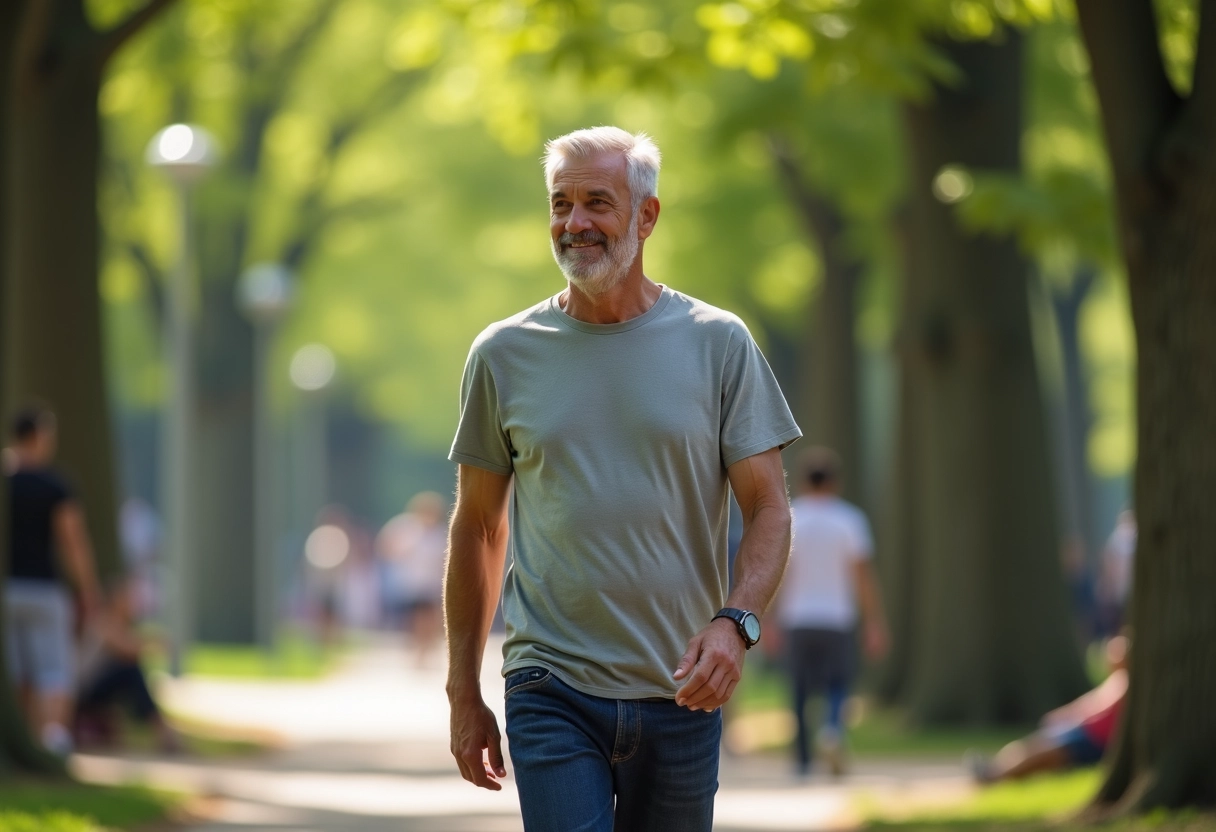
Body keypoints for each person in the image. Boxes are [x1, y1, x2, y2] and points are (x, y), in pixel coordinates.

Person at [445, 126, 801, 831]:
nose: (574, 222)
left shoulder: (718, 342)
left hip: (682, 689)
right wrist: (463, 689)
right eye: (560, 204)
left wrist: (736, 625)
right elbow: (478, 527)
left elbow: (769, 507)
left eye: (597, 203)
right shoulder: (503, 354)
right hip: (550, 684)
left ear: (647, 216)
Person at [774, 447, 888, 777]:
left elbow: (779, 574)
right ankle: (832, 728)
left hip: (797, 617)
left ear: (802, 482)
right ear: (835, 482)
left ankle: (802, 760)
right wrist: (874, 622)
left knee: (798, 688)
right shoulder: (850, 520)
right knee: (838, 682)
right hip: (837, 617)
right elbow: (863, 576)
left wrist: (769, 619)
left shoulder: (791, 518)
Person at [4, 405, 102, 756]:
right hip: (43, 588)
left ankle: (21, 743)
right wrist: (88, 589)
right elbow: (72, 542)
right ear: (41, 436)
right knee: (53, 671)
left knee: (16, 672)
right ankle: (52, 741)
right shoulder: (54, 485)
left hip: (7, 588)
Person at [966, 635, 1129, 783]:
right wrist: (1063, 715)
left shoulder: (1128, 684)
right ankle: (995, 766)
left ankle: (997, 775)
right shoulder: (1114, 681)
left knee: (1044, 754)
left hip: (1093, 740)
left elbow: (1104, 712)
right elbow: (1086, 703)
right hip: (1079, 728)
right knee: (1031, 745)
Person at [73, 577, 180, 753]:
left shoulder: (120, 624)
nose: (133, 604)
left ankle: (160, 731)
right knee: (131, 671)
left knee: (130, 672)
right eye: (128, 598)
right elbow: (127, 648)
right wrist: (155, 644)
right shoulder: (103, 620)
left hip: (94, 687)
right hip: (82, 690)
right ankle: (163, 732)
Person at [376, 492, 448, 666]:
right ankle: (418, 649)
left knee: (428, 618)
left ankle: (426, 649)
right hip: (409, 584)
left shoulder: (439, 534)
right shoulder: (405, 529)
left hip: (431, 584)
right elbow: (385, 548)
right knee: (414, 620)